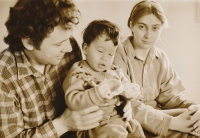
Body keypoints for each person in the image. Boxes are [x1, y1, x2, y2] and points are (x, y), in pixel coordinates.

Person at [0, 0, 133, 137]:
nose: (69, 48)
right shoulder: (4, 77)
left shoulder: (70, 47)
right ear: (28, 41)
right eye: (58, 44)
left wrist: (120, 102)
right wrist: (63, 124)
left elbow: (89, 85)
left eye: (68, 39)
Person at [113, 0, 200, 138]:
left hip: (161, 116)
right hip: (130, 120)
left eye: (155, 28)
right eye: (142, 27)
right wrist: (172, 123)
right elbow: (127, 105)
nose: (148, 35)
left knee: (195, 120)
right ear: (131, 25)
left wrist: (195, 108)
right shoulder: (117, 53)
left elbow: (171, 97)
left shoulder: (161, 57)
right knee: (187, 132)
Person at [63, 19, 146, 138]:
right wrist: (96, 93)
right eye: (100, 51)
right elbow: (72, 100)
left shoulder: (115, 71)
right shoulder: (80, 73)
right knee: (113, 133)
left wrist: (130, 93)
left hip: (117, 118)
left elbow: (126, 88)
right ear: (85, 48)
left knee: (135, 127)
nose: (105, 58)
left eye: (110, 54)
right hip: (94, 125)